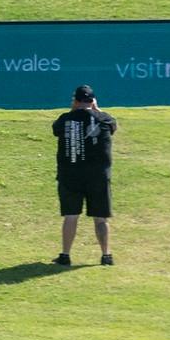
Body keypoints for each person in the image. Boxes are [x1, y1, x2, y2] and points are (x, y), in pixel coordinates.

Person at [53, 84, 118, 266]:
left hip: (70, 176)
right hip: (98, 177)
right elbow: (114, 126)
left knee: (71, 216)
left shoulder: (65, 119)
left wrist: (73, 111)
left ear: (75, 101)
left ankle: (65, 255)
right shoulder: (103, 119)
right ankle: (106, 255)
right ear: (92, 101)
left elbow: (56, 130)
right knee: (100, 218)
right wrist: (97, 110)